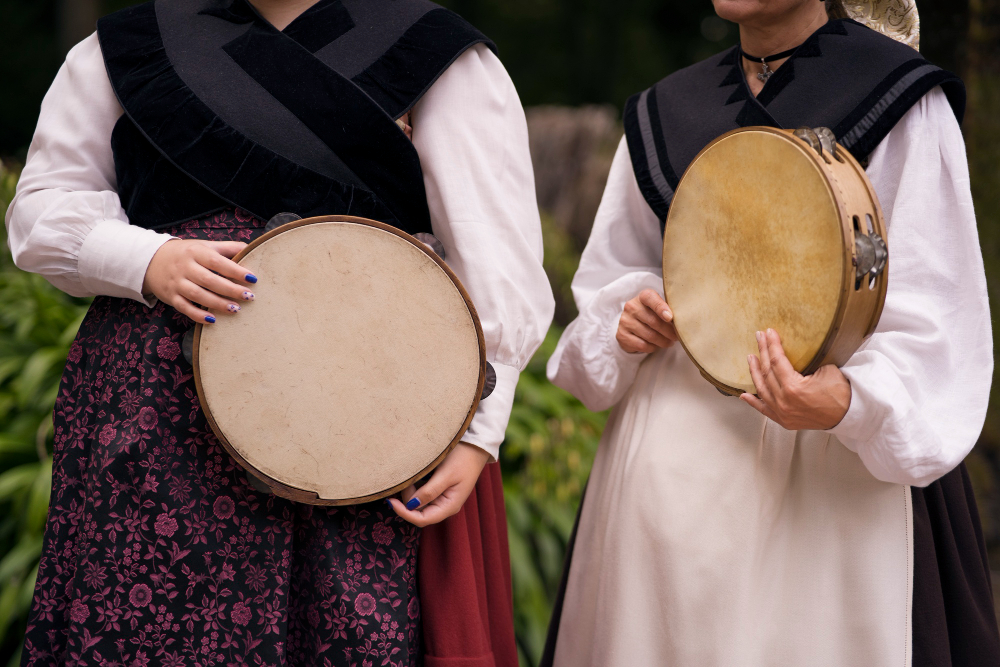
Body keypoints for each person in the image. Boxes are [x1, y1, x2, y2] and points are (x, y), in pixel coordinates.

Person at [5, 0, 554, 665]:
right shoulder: (127, 44)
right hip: (150, 419)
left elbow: (494, 261)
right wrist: (146, 259)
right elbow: (40, 211)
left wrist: (474, 431)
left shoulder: (435, 53)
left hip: (353, 418)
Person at [542, 0, 998, 665]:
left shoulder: (900, 99)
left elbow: (936, 312)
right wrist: (624, 318)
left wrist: (848, 401)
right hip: (663, 499)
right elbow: (614, 277)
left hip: (837, 484)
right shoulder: (665, 112)